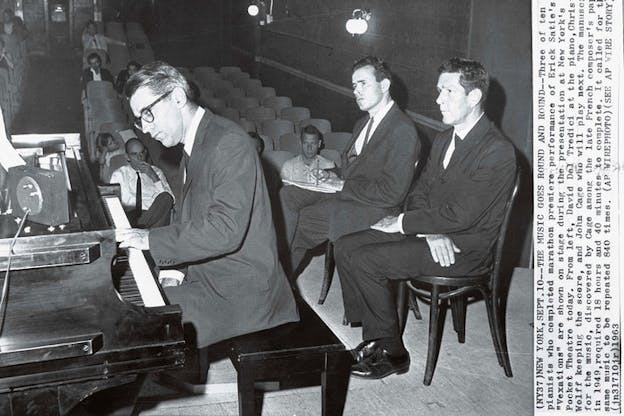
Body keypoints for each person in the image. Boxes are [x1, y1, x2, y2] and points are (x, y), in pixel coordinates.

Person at [334, 57, 517, 380]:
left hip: (464, 249)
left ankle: (393, 352)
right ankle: (377, 337)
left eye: (447, 91)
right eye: (438, 91)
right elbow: (419, 193)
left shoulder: (497, 150)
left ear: (474, 97)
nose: (437, 100)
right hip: (437, 234)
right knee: (347, 246)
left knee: (369, 260)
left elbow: (463, 215)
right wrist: (426, 231)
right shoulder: (445, 138)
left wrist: (407, 224)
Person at [116, 61, 298, 350]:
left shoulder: (228, 143)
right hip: (210, 275)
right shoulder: (198, 140)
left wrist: (150, 239)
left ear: (177, 96)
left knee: (138, 330)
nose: (146, 130)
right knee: (132, 309)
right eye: (140, 120)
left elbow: (224, 230)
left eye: (148, 114)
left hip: (241, 290)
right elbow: (187, 214)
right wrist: (174, 271)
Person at [279, 55, 421, 276]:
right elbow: (353, 170)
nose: (356, 91)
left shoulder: (402, 129)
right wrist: (330, 174)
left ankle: (279, 281)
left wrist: (342, 185)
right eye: (354, 85)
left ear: (384, 85)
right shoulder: (363, 123)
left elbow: (392, 194)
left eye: (363, 84)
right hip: (349, 193)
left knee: (305, 220)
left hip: (373, 207)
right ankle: (277, 256)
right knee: (287, 195)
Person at [109, 138, 174, 228]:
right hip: (131, 217)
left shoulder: (156, 172)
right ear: (127, 157)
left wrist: (154, 178)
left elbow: (171, 199)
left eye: (142, 153)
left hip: (155, 216)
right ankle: (141, 229)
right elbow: (113, 204)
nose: (140, 158)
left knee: (166, 197)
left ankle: (139, 229)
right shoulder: (119, 175)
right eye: (134, 154)